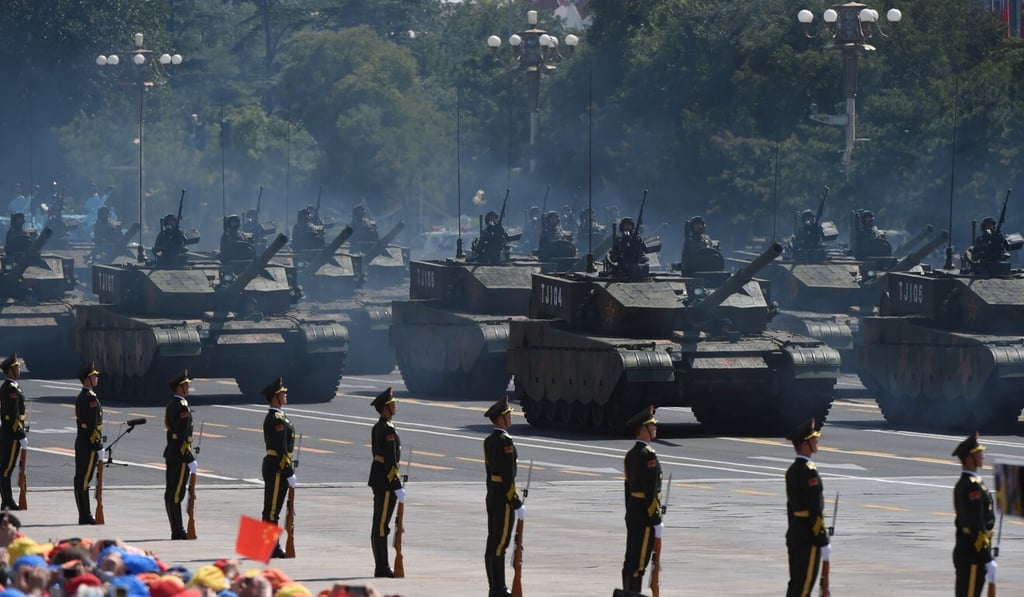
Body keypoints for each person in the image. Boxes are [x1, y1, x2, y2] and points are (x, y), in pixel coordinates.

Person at [483, 397, 524, 597]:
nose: (510, 417)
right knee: (500, 544)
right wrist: (515, 501)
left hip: (492, 495)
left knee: (492, 542)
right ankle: (499, 588)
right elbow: (507, 477)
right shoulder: (505, 442)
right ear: (501, 418)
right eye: (508, 414)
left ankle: (494, 586)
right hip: (503, 499)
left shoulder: (489, 440)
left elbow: (490, 473)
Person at [785, 418, 830, 597]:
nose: (816, 442)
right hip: (808, 534)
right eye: (813, 439)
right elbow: (815, 510)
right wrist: (822, 539)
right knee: (804, 588)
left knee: (795, 584)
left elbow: (790, 507)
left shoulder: (791, 471)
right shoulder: (809, 471)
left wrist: (793, 530)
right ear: (805, 444)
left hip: (795, 531)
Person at [620, 405, 662, 593]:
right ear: (643, 429)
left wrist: (630, 511)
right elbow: (651, 491)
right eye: (651, 425)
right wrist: (656, 519)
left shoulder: (630, 455)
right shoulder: (648, 456)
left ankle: (627, 592)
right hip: (645, 515)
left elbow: (628, 488)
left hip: (633, 511)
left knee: (630, 559)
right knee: (639, 564)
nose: (655, 428)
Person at [951, 432, 996, 597]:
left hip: (972, 552)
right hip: (972, 554)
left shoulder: (974, 483)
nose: (982, 456)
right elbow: (975, 525)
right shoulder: (970, 487)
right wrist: (987, 557)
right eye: (979, 453)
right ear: (969, 458)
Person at [368, 387, 404, 578]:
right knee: (381, 524)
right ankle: (382, 567)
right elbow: (390, 461)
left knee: (380, 523)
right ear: (385, 408)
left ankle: (382, 565)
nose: (395, 406)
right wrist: (396, 485)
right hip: (385, 482)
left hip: (381, 479)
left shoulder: (380, 427)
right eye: (392, 404)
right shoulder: (386, 429)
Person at [261, 377, 295, 559]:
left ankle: (268, 545)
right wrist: (287, 471)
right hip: (276, 466)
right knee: (272, 509)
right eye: (283, 393)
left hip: (277, 465)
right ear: (275, 397)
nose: (285, 395)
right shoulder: (276, 419)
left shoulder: (279, 416)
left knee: (273, 508)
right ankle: (271, 547)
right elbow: (281, 448)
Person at [163, 370, 196, 540]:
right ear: (180, 387)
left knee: (173, 492)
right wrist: (189, 457)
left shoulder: (172, 404)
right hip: (180, 454)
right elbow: (183, 434)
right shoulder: (181, 406)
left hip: (173, 452)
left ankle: (177, 528)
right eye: (186, 385)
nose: (188, 387)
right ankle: (178, 530)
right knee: (176, 494)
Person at [73, 362, 103, 525]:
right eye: (94, 376)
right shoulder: (89, 397)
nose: (97, 378)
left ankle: (85, 514)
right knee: (84, 479)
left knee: (82, 478)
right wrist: (97, 445)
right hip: (88, 444)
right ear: (87, 380)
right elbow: (91, 425)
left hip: (84, 442)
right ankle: (85, 515)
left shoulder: (86, 396)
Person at [0, 354, 27, 511]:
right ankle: (8, 500)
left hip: (8, 432)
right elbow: (13, 415)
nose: (19, 369)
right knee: (6, 469)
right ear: (10, 370)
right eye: (16, 367)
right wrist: (20, 435)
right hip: (11, 434)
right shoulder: (10, 388)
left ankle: (6, 500)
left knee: (6, 468)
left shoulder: (11, 386)